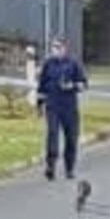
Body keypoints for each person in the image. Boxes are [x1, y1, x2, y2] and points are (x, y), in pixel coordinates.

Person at [36, 37, 88, 181]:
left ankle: (69, 168)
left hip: (69, 107)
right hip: (52, 106)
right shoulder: (48, 64)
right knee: (52, 134)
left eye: (58, 47)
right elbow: (41, 86)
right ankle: (50, 166)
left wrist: (72, 85)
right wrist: (39, 104)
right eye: (53, 47)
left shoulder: (74, 63)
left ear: (65, 48)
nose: (55, 49)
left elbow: (84, 84)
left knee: (71, 139)